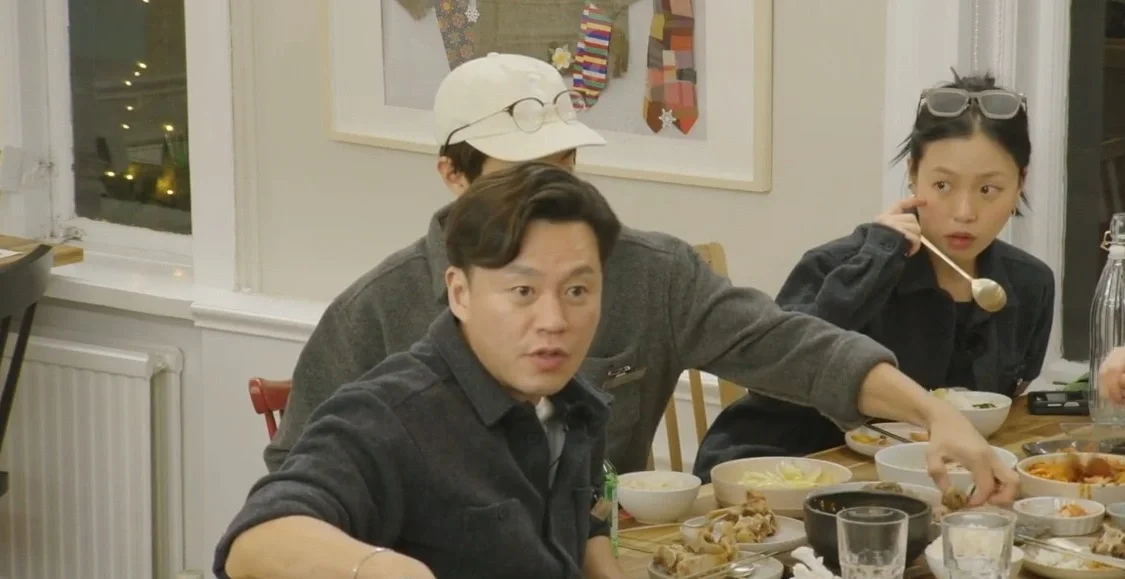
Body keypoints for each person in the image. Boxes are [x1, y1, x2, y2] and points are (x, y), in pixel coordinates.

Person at [272, 53, 1018, 503]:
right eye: (516, 174)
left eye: (561, 166)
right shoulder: (375, 311)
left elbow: (792, 346)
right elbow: (294, 489)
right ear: (452, 176)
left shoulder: (649, 273)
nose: (547, 195)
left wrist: (934, 414)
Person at [217, 162, 627, 579]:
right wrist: (377, 568)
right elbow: (255, 542)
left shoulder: (573, 404)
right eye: (524, 291)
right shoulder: (388, 417)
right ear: (460, 293)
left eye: (577, 290)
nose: (554, 320)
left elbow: (575, 523)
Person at [694, 72, 1056, 480]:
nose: (964, 212)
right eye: (942, 185)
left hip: (927, 477)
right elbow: (779, 374)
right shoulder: (838, 264)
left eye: (988, 190)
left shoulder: (1029, 284)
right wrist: (875, 261)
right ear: (912, 173)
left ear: (1020, 183)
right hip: (786, 468)